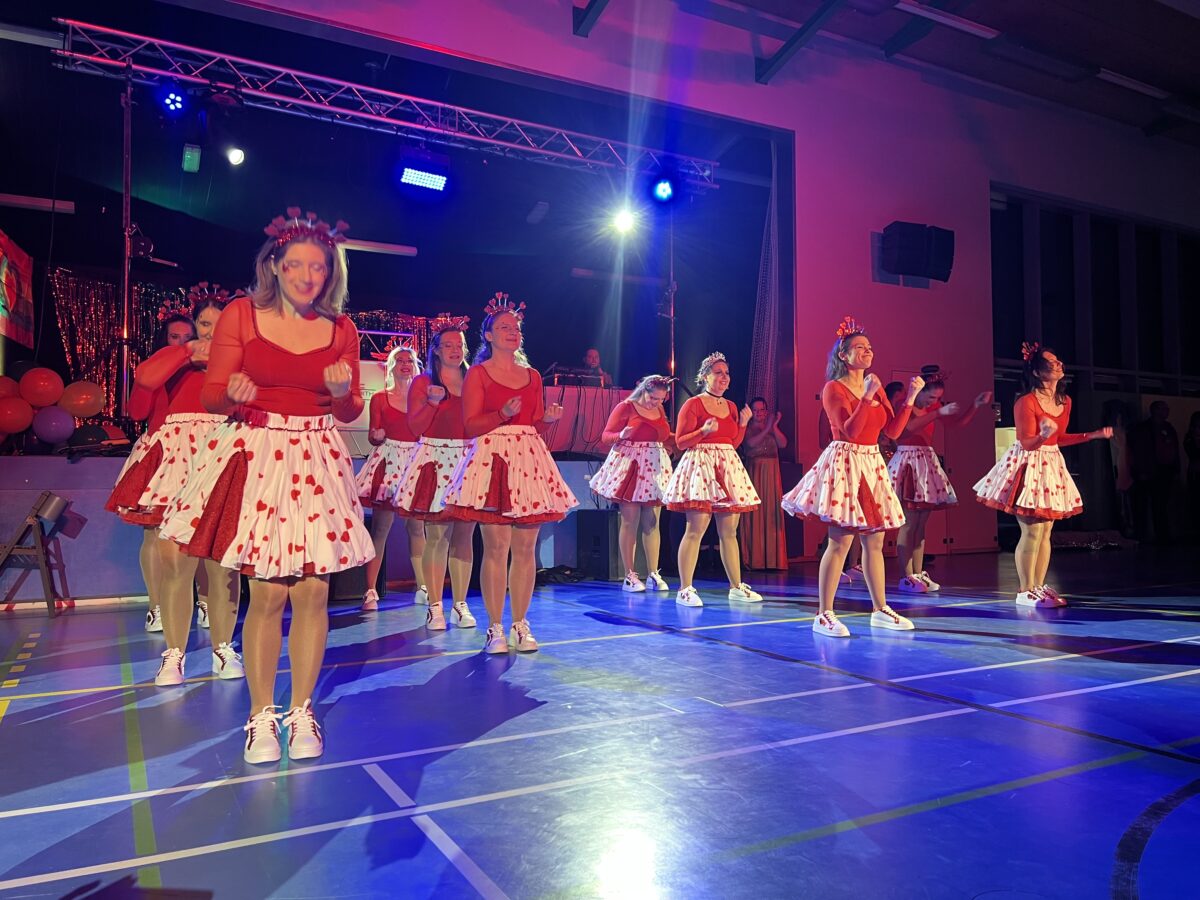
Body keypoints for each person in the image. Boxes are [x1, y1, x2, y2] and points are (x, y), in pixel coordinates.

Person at [159, 208, 372, 764]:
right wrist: (231, 392)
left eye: (318, 267)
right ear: (274, 265)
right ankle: (260, 716)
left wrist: (343, 393)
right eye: (295, 264)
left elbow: (350, 409)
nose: (307, 276)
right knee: (269, 592)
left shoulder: (342, 329)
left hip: (316, 452)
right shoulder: (241, 314)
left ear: (331, 273)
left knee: (314, 591)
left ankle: (302, 710)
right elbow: (212, 397)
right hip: (260, 452)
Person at [444, 294, 577, 653]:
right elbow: (471, 425)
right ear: (488, 335)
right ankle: (495, 627)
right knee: (496, 546)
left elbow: (533, 425)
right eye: (504, 327)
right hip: (492, 458)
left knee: (525, 548)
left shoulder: (532, 376)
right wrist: (501, 414)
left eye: (516, 327)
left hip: (528, 458)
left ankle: (520, 622)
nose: (512, 332)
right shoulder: (478, 374)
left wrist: (547, 420)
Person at [782, 317, 921, 637]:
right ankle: (824, 613)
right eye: (859, 347)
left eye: (869, 347)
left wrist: (911, 398)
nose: (867, 351)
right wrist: (868, 397)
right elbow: (851, 431)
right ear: (843, 355)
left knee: (875, 541)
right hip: (846, 461)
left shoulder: (875, 386)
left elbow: (892, 432)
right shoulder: (833, 388)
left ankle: (880, 609)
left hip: (871, 462)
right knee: (840, 541)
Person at [142, 289, 245, 685]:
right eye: (205, 323)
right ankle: (174, 655)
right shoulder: (178, 359)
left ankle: (223, 648)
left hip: (226, 452)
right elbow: (145, 378)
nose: (212, 331)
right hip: (180, 459)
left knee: (224, 568)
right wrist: (186, 352)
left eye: (221, 324)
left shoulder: (242, 360)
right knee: (176, 563)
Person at [973, 342, 1112, 606]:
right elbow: (1027, 442)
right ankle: (1025, 590)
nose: (1058, 364)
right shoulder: (1026, 401)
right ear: (1037, 372)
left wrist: (1091, 435)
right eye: (1051, 362)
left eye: (1058, 360)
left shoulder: (1064, 401)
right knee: (1031, 531)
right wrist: (1042, 435)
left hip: (1050, 464)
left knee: (1046, 531)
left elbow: (1059, 438)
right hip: (1029, 464)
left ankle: (1038, 585)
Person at [107, 311, 196, 634]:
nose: (182, 344)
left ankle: (203, 603)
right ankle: (155, 606)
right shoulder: (153, 370)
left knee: (198, 532)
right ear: (163, 340)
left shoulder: (207, 369)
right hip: (161, 452)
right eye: (175, 337)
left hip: (199, 452)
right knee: (155, 533)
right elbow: (138, 411)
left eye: (188, 338)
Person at [392, 316, 478, 630]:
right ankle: (435, 606)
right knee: (437, 535)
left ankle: (460, 604)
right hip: (436, 458)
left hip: (468, 457)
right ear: (437, 350)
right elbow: (415, 426)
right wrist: (431, 402)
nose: (455, 350)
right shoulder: (423, 381)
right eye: (448, 345)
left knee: (464, 535)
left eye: (460, 345)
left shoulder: (474, 380)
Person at [662, 352, 761, 608]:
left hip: (727, 466)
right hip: (701, 466)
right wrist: (702, 431)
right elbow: (681, 442)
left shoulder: (731, 406)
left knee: (729, 532)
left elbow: (732, 442)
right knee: (695, 530)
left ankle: (736, 587)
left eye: (726, 373)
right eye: (718, 373)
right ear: (705, 376)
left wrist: (743, 424)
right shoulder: (693, 404)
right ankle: (685, 589)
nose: (724, 377)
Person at [890, 366, 991, 593]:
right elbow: (905, 431)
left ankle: (918, 573)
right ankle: (906, 576)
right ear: (920, 392)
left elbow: (955, 424)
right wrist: (936, 413)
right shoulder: (904, 405)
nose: (933, 402)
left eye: (937, 399)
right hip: (907, 462)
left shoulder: (933, 408)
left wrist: (975, 405)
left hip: (925, 461)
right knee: (908, 523)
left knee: (921, 524)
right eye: (930, 398)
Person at [355, 343, 426, 612]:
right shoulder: (380, 398)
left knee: (417, 528)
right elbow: (373, 435)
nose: (405, 364)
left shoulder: (422, 399)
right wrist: (376, 436)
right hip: (388, 461)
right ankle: (370, 590)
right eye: (400, 361)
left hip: (414, 462)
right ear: (392, 367)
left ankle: (423, 587)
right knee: (381, 528)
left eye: (410, 361)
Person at [589, 373, 674, 592]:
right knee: (630, 521)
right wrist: (621, 434)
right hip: (631, 465)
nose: (656, 403)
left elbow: (663, 434)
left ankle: (653, 573)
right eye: (653, 398)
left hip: (653, 465)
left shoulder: (659, 409)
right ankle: (630, 575)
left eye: (660, 399)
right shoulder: (625, 407)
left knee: (652, 522)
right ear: (644, 390)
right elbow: (605, 436)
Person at [739, 397, 789, 570]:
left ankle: (773, 560)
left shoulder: (771, 428)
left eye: (762, 410)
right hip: (756, 474)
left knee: (771, 512)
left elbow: (783, 444)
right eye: (756, 410)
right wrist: (767, 428)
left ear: (766, 411)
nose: (759, 413)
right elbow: (750, 445)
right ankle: (756, 559)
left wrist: (773, 427)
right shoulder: (747, 428)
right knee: (757, 514)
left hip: (772, 475)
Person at [1129, 400, 1181, 545]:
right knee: (1142, 505)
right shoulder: (1142, 429)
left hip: (1164, 471)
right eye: (1163, 408)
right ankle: (1141, 536)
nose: (1167, 411)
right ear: (1155, 410)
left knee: (1161, 505)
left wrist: (1176, 469)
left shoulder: (1168, 428)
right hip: (1147, 471)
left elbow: (1174, 449)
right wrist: (1139, 470)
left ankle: (1162, 536)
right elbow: (1137, 451)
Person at [1185, 412, 1200, 539]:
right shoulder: (1190, 438)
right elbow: (1193, 454)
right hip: (1195, 473)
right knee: (1196, 501)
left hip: (1195, 471)